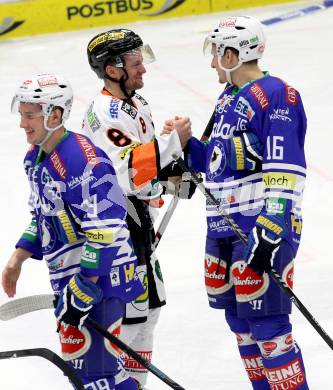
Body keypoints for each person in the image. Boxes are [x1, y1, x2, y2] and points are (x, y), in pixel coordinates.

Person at [181, 15, 309, 389]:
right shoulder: (227, 99)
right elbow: (218, 162)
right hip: (223, 227)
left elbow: (286, 165)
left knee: (268, 327)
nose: (212, 63)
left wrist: (274, 223)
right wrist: (187, 146)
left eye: (217, 54)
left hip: (258, 225)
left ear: (234, 54)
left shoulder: (275, 93)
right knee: (240, 324)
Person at [1, 73, 146, 390]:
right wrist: (18, 258)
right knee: (94, 373)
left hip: (103, 280)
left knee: (96, 376)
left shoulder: (83, 159)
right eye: (22, 114)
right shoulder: (35, 158)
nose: (23, 124)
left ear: (54, 115)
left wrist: (85, 285)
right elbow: (43, 214)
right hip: (77, 281)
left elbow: (106, 226)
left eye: (30, 116)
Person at [82, 29, 193, 389]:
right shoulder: (106, 111)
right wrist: (172, 143)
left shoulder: (136, 105)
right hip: (119, 231)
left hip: (139, 226)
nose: (143, 68)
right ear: (112, 70)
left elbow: (146, 172)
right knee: (127, 322)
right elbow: (127, 171)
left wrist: (171, 176)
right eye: (135, 63)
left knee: (148, 315)